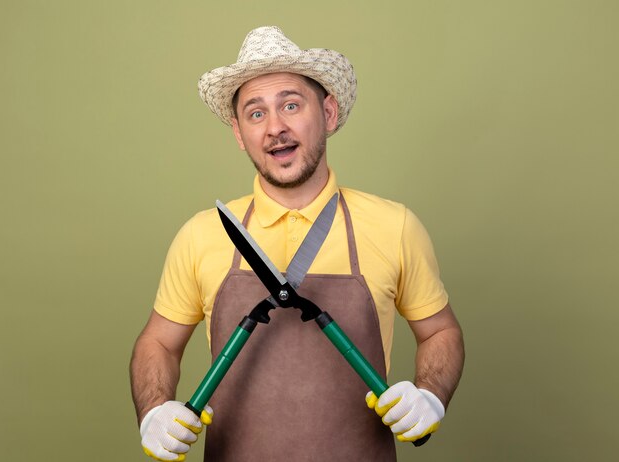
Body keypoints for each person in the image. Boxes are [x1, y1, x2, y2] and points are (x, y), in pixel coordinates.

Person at [130, 26, 464, 462]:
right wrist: (153, 410)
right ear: (238, 132)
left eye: (291, 105)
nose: (275, 128)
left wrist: (430, 394)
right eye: (256, 113)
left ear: (327, 113)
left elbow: (441, 331)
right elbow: (158, 343)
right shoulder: (203, 233)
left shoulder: (393, 225)